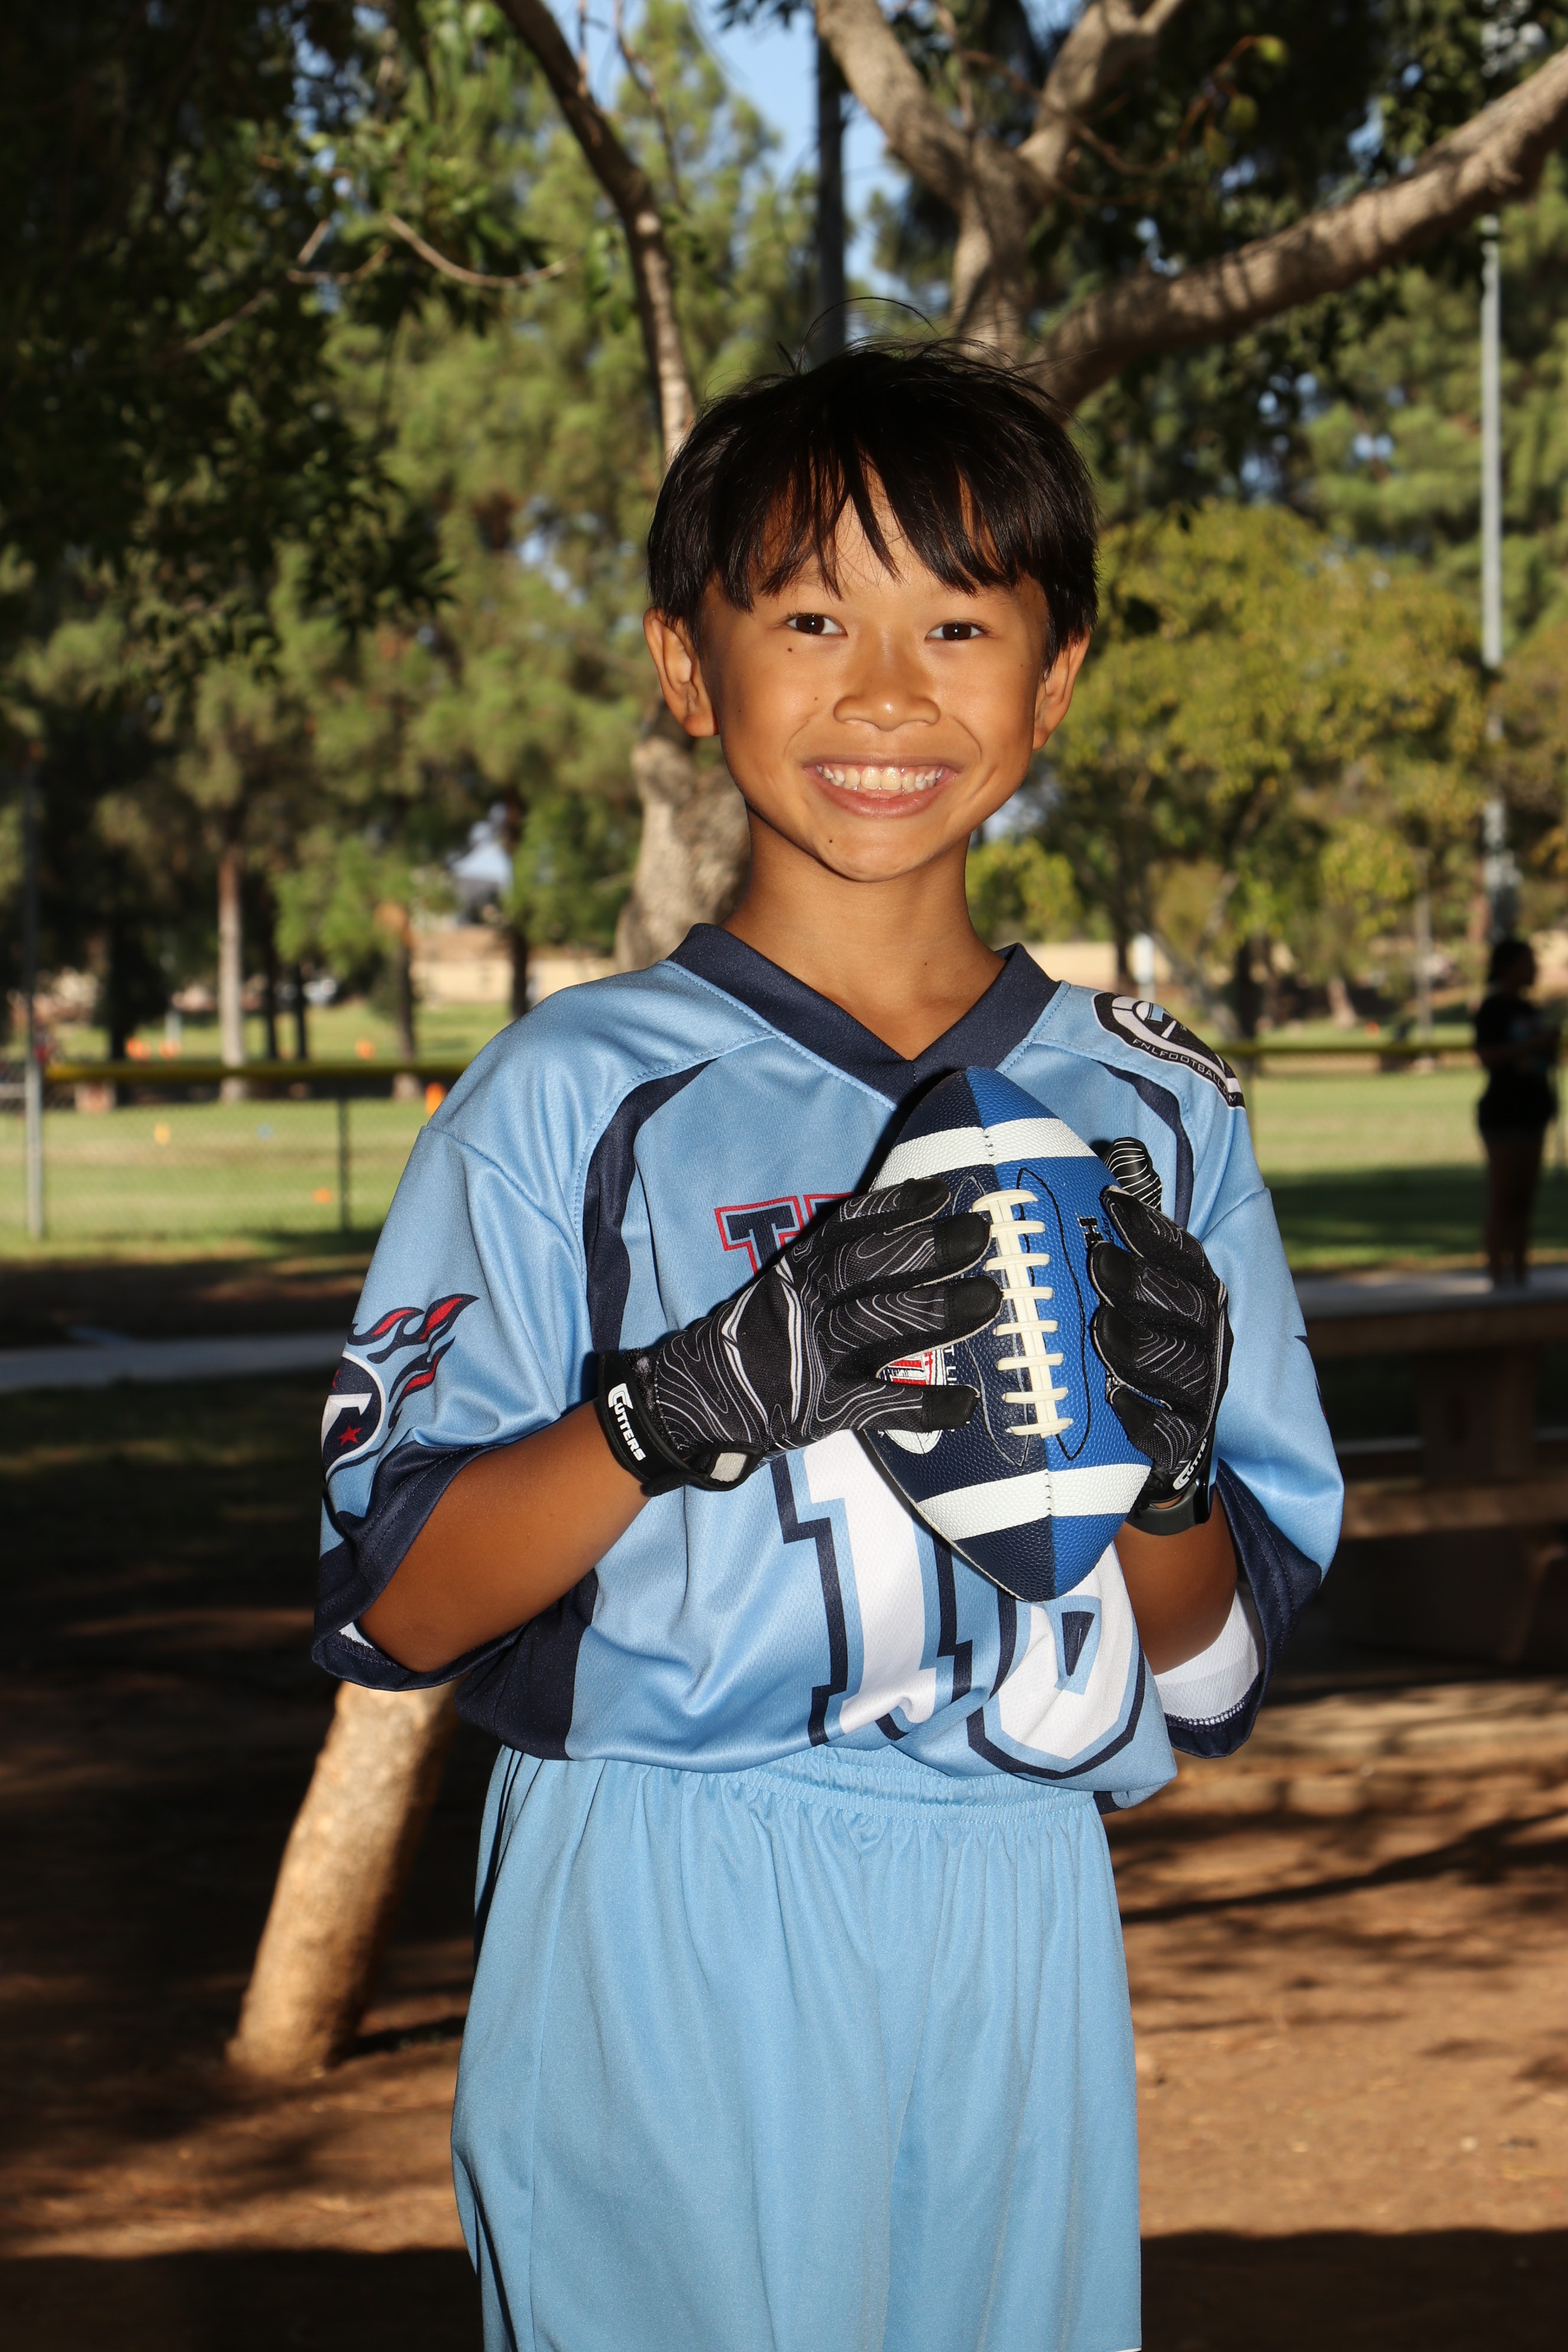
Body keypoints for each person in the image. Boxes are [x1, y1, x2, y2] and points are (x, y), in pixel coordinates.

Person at [313, 343, 1342, 2352]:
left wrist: (1165, 1472)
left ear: (1053, 680)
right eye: (808, 619)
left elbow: (1213, 1684)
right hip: (662, 1889)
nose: (884, 693)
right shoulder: (566, 1093)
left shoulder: (1157, 1109)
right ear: (684, 667)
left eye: (956, 624)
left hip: (1019, 1900)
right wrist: (670, 1409)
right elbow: (397, 1606)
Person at [1475, 936, 1560, 1288]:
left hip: (1532, 1113)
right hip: (1503, 1115)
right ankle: (1498, 1278)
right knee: (1504, 1197)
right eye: (1528, 962)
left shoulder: (1530, 1009)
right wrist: (1532, 1044)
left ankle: (1521, 1276)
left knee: (1525, 1200)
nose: (1534, 969)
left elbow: (1542, 1061)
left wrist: (1548, 1047)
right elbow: (1488, 1056)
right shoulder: (1493, 1009)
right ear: (1507, 967)